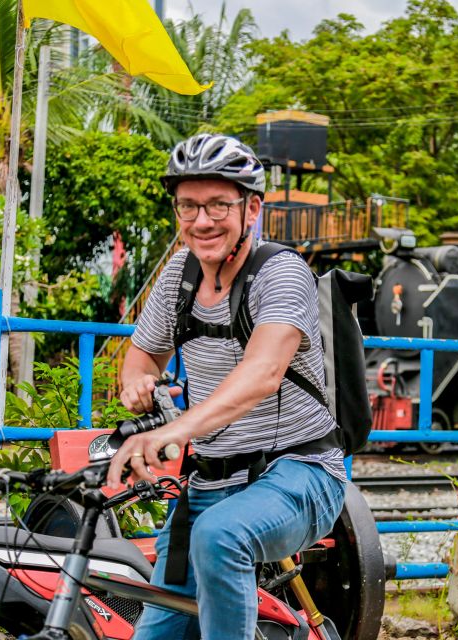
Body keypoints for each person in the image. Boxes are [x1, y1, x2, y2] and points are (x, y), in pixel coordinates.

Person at [107, 133, 347, 640]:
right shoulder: (180, 273)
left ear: (252, 207)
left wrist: (168, 435)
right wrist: (137, 382)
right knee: (157, 631)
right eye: (188, 206)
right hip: (207, 484)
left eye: (218, 205)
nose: (201, 221)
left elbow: (262, 374)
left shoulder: (281, 273)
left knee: (223, 534)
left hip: (297, 473)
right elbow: (142, 354)